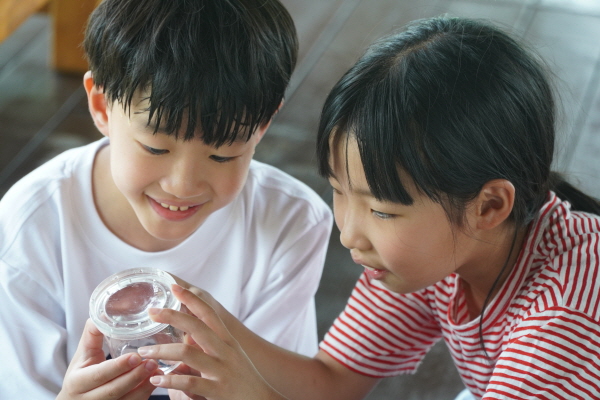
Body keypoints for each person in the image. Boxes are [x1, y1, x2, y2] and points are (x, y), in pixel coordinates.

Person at [133, 15, 600, 400]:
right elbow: (332, 380)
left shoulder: (564, 321)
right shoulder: (440, 251)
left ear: (490, 206)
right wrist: (214, 329)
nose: (350, 235)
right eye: (339, 190)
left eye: (381, 211)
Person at [0, 0, 333, 399]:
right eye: (155, 149)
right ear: (102, 106)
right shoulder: (32, 221)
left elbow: (282, 386)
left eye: (222, 155)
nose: (183, 185)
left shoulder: (292, 221)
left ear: (262, 127)